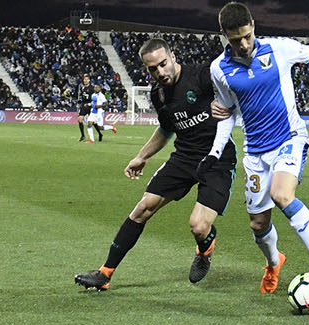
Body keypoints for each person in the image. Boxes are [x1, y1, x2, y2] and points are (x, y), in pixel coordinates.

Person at [206, 2, 309, 296]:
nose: (244, 44)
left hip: (289, 138)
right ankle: (274, 263)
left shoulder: (279, 48)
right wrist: (214, 153)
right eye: (236, 39)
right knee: (258, 224)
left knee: (282, 195)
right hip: (255, 152)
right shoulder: (219, 70)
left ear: (253, 25)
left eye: (247, 35)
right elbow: (227, 113)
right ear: (224, 35)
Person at [75, 39, 236, 290]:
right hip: (184, 158)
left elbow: (236, 91)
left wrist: (228, 106)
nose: (160, 72)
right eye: (153, 69)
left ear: (173, 57)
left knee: (198, 225)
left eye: (163, 64)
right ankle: (105, 274)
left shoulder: (202, 76)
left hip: (217, 159)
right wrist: (142, 156)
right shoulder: (158, 94)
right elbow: (166, 130)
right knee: (142, 209)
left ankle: (206, 247)